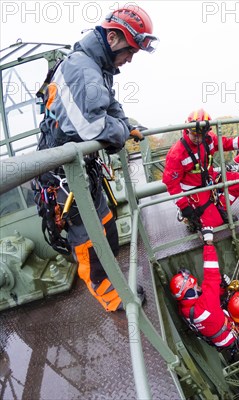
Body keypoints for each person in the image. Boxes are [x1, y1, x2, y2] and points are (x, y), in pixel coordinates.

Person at [32, 6, 158, 311]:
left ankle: (116, 278)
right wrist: (122, 132)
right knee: (87, 238)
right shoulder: (80, 68)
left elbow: (109, 108)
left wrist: (127, 124)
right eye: (129, 52)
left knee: (106, 226)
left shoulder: (97, 68)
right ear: (112, 38)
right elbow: (89, 128)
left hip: (82, 170)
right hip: (61, 178)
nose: (129, 60)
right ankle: (113, 299)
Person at [169, 227, 239, 356]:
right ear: (190, 293)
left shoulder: (185, 308)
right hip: (233, 335)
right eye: (196, 287)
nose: (199, 287)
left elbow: (210, 301)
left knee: (233, 302)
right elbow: (211, 275)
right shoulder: (205, 307)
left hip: (218, 332)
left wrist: (221, 289)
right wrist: (208, 243)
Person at [162, 108, 239, 232]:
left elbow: (227, 143)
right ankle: (189, 216)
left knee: (238, 180)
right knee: (214, 224)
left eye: (202, 136)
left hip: (210, 180)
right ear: (187, 130)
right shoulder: (177, 153)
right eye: (195, 135)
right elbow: (171, 183)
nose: (198, 139)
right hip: (194, 190)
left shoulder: (208, 139)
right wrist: (184, 206)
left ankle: (221, 208)